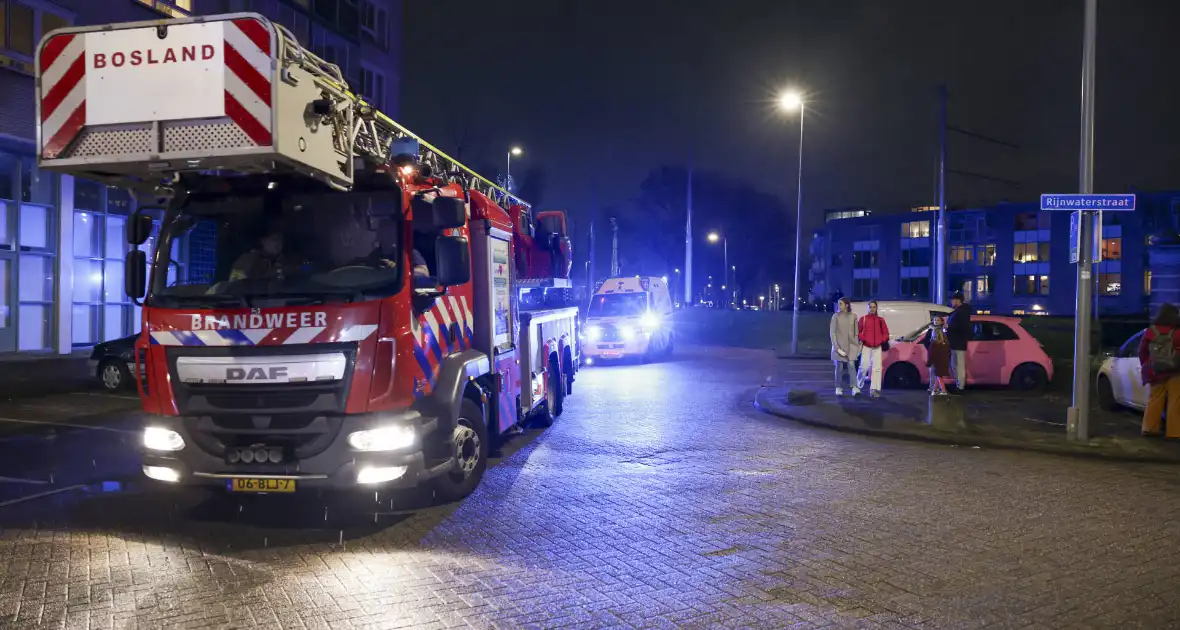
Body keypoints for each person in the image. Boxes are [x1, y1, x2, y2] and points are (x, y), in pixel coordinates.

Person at [1138, 303, 1180, 439]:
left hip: (1156, 370)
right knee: (1175, 401)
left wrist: (1146, 363)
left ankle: (1149, 429)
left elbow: (1142, 350)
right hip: (1175, 370)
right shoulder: (1177, 332)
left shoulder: (1151, 331)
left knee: (1155, 398)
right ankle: (1174, 433)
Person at [857, 300, 890, 398]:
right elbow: (857, 332)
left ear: (876, 308)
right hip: (866, 346)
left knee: (877, 368)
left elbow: (886, 333)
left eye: (873, 307)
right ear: (867, 308)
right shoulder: (863, 319)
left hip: (877, 347)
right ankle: (858, 386)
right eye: (870, 307)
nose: (872, 309)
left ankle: (874, 389)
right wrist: (863, 338)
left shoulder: (881, 320)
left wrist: (881, 340)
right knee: (864, 366)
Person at [829, 297, 861, 396]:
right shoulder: (835, 316)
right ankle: (838, 387)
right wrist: (836, 346)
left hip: (851, 345)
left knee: (851, 365)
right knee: (839, 366)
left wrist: (856, 343)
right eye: (839, 304)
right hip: (839, 345)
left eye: (841, 304)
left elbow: (856, 332)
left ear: (847, 305)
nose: (839, 306)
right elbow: (832, 332)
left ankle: (855, 387)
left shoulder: (853, 316)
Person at [946, 290, 973, 392]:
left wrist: (949, 327)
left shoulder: (962, 312)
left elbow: (962, 327)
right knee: (955, 366)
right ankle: (958, 385)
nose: (951, 302)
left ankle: (960, 387)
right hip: (954, 342)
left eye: (953, 300)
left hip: (959, 343)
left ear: (958, 301)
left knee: (959, 366)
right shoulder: (958, 311)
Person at [923, 315, 952, 396]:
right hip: (934, 353)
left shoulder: (943, 331)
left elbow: (946, 343)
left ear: (942, 321)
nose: (936, 321)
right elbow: (927, 341)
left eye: (938, 320)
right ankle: (934, 388)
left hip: (938, 354)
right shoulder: (932, 330)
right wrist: (930, 349)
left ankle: (940, 389)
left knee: (937, 373)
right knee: (935, 372)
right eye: (935, 320)